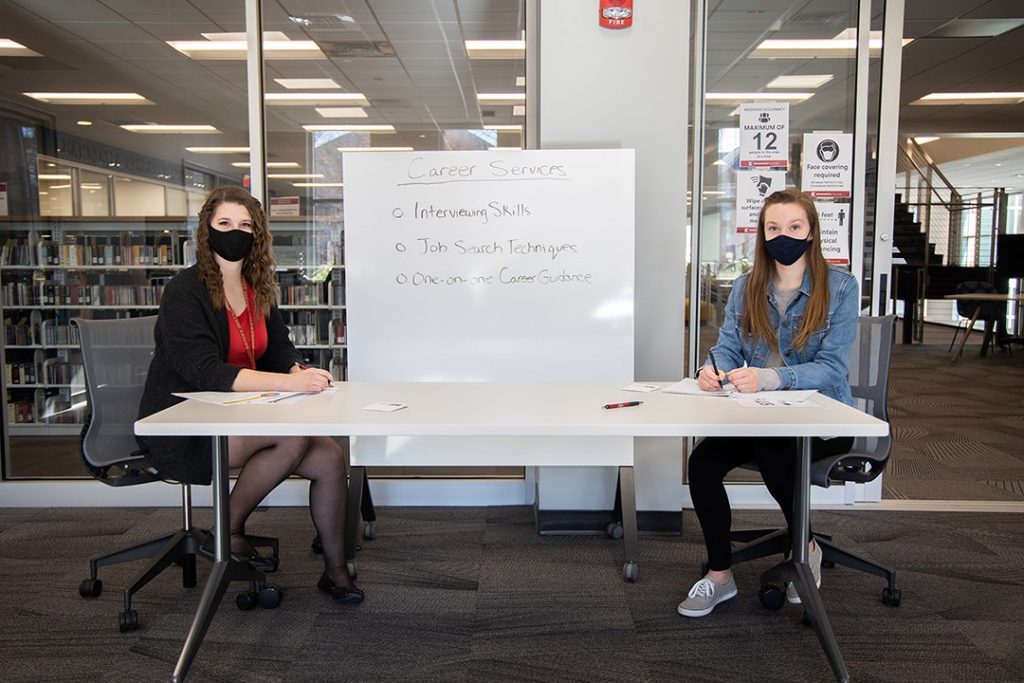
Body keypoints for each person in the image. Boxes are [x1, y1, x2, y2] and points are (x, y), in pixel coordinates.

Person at [137, 185, 363, 604]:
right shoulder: (185, 291)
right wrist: (288, 384)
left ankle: (336, 571)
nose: (235, 233)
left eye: (245, 225)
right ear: (206, 229)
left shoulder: (256, 285)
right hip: (184, 425)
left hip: (242, 416)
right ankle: (229, 529)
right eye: (224, 223)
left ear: (257, 234)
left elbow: (278, 346)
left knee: (330, 457)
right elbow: (203, 371)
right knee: (294, 437)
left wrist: (296, 367)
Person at [677, 189, 858, 618]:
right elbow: (726, 347)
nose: (784, 236)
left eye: (794, 227)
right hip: (759, 417)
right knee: (701, 465)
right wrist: (711, 369)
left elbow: (832, 367)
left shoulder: (840, 288)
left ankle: (805, 549)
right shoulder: (747, 286)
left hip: (822, 417)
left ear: (811, 231)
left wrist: (770, 378)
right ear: (762, 233)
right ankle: (720, 577)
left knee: (776, 453)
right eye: (773, 228)